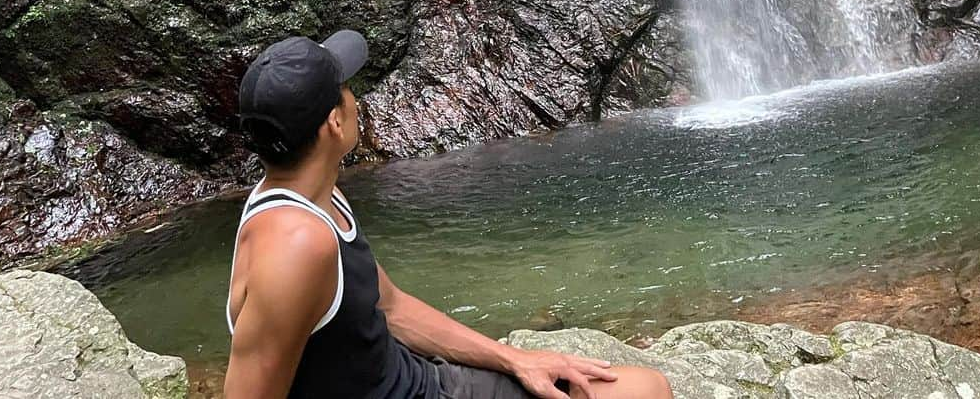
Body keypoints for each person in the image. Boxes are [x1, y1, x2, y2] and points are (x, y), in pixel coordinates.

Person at [224, 30, 674, 399]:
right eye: (346, 89)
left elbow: (391, 307)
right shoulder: (295, 247)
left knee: (638, 389)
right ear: (334, 124)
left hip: (424, 381)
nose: (355, 97)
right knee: (644, 392)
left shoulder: (315, 195)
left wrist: (515, 359)